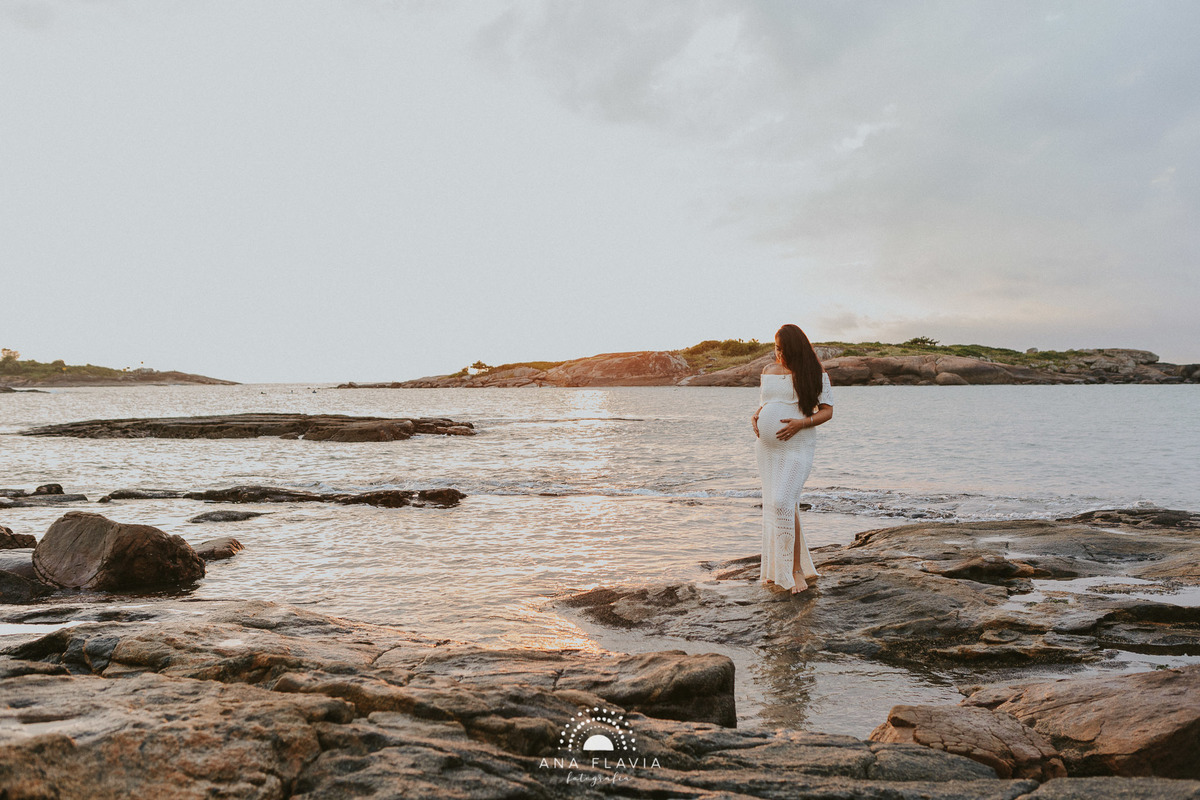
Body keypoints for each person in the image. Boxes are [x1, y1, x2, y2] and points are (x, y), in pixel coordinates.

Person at [751, 324, 834, 594]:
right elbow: (767, 403)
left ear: (796, 349)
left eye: (784, 350)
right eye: (776, 349)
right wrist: (757, 415)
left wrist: (801, 423)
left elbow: (827, 412)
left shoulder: (814, 374)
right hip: (768, 449)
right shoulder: (768, 371)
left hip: (798, 444)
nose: (779, 355)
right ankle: (780, 569)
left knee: (783, 501)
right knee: (780, 505)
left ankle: (795, 570)